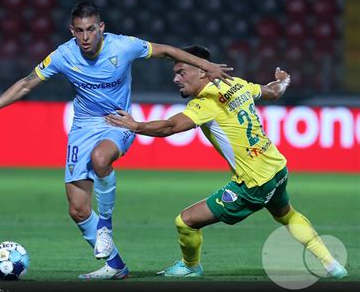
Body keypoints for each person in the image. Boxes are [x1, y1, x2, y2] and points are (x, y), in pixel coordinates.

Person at [0, 3, 233, 279]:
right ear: (72, 31)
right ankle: (115, 266)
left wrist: (205, 64)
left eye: (91, 29)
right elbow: (27, 82)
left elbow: (167, 51)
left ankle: (105, 228)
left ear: (101, 28)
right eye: (79, 31)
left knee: (100, 159)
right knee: (77, 209)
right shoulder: (63, 55)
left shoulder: (123, 47)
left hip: (117, 122)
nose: (86, 37)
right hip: (82, 128)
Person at [105, 45, 348, 279]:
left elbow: (170, 126)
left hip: (253, 184)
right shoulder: (238, 84)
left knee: (186, 221)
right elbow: (273, 91)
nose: (176, 79)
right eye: (175, 73)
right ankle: (332, 265)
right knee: (287, 215)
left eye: (181, 72)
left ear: (202, 70)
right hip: (277, 169)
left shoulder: (205, 103)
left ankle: (190, 267)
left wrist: (136, 126)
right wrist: (284, 79)